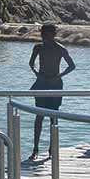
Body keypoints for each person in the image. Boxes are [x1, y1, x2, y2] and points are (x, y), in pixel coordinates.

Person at [28, 24, 76, 159]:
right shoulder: (38, 47)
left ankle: (51, 149)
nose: (46, 36)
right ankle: (35, 149)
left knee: (53, 117)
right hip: (41, 83)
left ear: (54, 34)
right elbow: (31, 63)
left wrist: (58, 76)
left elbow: (72, 66)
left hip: (55, 84)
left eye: (48, 33)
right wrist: (37, 73)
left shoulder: (60, 49)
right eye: (44, 33)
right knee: (39, 115)